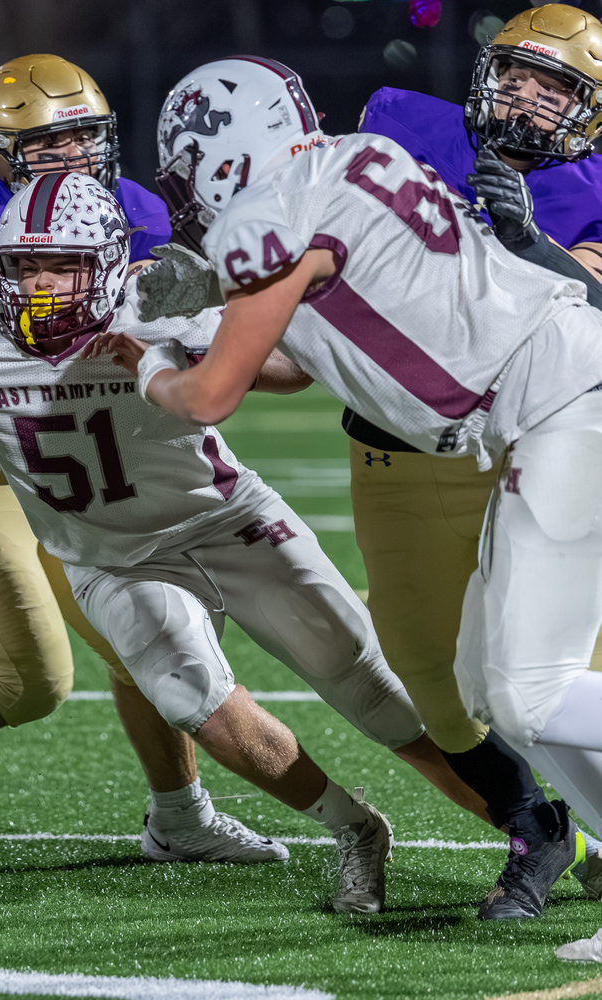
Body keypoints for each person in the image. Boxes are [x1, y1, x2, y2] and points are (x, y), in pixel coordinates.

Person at [116, 54, 602, 928]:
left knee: (527, 692)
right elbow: (321, 343)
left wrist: (146, 359)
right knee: (478, 683)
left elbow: (210, 397)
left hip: (564, 407)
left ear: (223, 152)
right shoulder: (363, 159)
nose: (184, 191)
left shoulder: (267, 218)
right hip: (549, 399)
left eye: (186, 167)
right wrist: (209, 309)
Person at [0, 170, 474, 914]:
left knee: (380, 694)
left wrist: (209, 335)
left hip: (228, 522)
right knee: (192, 701)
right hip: (110, 557)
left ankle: (550, 833)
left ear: (111, 263)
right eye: (25, 265)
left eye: (65, 264)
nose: (42, 283)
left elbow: (290, 372)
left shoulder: (151, 302)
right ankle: (355, 828)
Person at [0, 52, 281, 866]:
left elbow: (158, 318)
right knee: (29, 681)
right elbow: (5, 340)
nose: (73, 156)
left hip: (69, 455)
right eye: (49, 144)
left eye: (85, 137)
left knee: (139, 637)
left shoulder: (134, 207)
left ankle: (180, 818)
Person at [330, 3, 602, 919]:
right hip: (400, 449)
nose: (524, 96)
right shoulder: (403, 128)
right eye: (513, 75)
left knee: (557, 675)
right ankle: (538, 823)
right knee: (434, 686)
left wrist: (532, 244)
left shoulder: (594, 185)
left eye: (552, 87)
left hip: (536, 448)